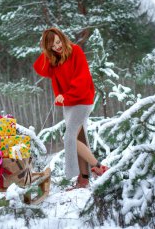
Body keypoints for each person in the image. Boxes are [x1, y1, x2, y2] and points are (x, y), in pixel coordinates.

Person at [33, 27, 108, 190]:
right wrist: (47, 49)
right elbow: (39, 67)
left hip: (82, 99)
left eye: (58, 42)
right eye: (53, 46)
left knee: (70, 138)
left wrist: (66, 95)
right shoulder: (55, 59)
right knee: (79, 138)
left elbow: (82, 78)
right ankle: (84, 179)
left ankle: (98, 167)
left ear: (62, 38)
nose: (57, 47)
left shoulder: (75, 51)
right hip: (69, 103)